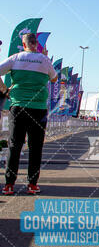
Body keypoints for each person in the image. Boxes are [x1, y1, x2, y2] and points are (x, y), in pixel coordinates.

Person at [0, 33, 57, 195]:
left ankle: (9, 185)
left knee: (14, 145)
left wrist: (5, 90)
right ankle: (32, 185)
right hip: (38, 108)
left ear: (23, 44)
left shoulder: (15, 58)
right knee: (36, 147)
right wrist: (44, 60)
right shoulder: (45, 60)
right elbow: (54, 79)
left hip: (18, 107)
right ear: (36, 44)